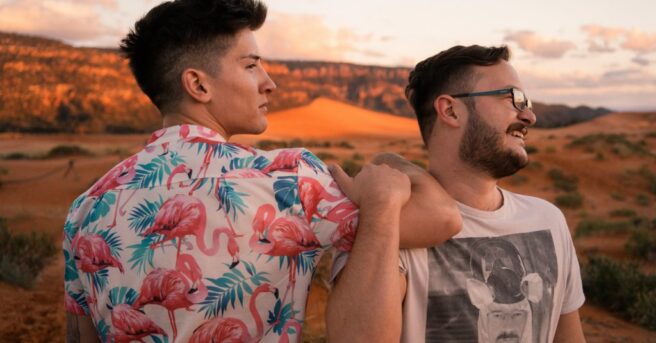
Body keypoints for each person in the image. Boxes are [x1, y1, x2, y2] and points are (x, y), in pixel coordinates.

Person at [62, 0, 461, 342]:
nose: (269, 83)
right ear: (198, 86)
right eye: (251, 66)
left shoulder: (86, 206)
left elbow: (81, 336)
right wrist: (391, 169)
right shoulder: (289, 179)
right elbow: (442, 217)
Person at [332, 45, 586, 342]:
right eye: (514, 99)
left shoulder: (548, 220)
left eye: (526, 102)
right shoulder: (390, 224)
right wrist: (381, 207)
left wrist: (391, 161)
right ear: (451, 110)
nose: (529, 115)